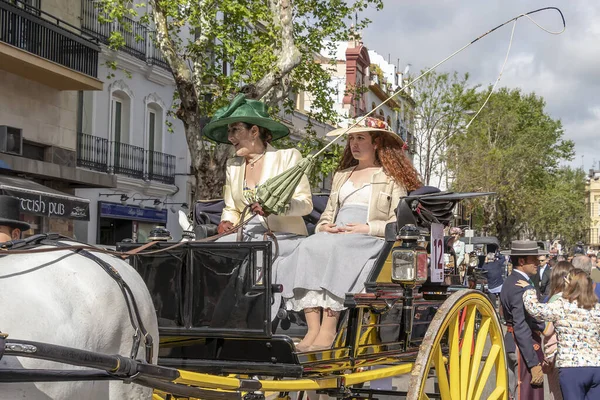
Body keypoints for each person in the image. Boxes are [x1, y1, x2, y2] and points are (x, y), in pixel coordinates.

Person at [276, 117, 421, 351]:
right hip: (337, 232)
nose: (354, 143)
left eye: (360, 138)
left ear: (376, 143)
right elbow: (329, 212)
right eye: (351, 138)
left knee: (337, 248)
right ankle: (312, 328)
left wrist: (368, 227)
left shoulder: (391, 178)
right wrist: (324, 226)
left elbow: (398, 220)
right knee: (306, 246)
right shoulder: (342, 175)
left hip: (368, 237)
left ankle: (328, 329)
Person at [203, 93, 313, 253]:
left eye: (235, 130)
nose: (230, 137)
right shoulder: (233, 165)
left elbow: (306, 204)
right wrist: (227, 221)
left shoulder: (288, 157)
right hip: (245, 236)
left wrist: (276, 207)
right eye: (229, 131)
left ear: (254, 131)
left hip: (283, 237)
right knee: (215, 251)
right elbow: (231, 208)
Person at [518, 268, 600, 400]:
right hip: (597, 367)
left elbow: (534, 309)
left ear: (571, 285)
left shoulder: (562, 306)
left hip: (571, 368)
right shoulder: (596, 308)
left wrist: (529, 290)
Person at [500, 240, 546, 400]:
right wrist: (533, 363)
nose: (537, 262)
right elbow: (521, 325)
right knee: (525, 394)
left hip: (515, 342)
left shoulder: (512, 281)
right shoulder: (519, 286)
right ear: (521, 261)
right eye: (533, 259)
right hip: (522, 345)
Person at [538, 261, 573, 400]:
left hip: (556, 354)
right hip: (574, 354)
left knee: (559, 394)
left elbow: (547, 330)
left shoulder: (555, 300)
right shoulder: (576, 299)